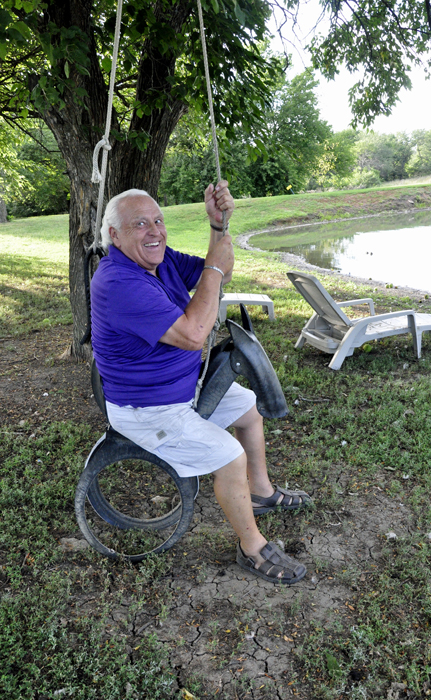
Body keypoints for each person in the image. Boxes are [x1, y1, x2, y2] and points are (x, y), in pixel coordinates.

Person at [91, 181, 310, 584]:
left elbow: (220, 268)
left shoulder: (158, 260)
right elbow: (194, 332)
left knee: (249, 409)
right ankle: (253, 548)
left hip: (180, 390)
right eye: (140, 224)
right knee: (229, 455)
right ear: (114, 236)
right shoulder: (119, 283)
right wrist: (213, 268)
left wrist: (217, 227)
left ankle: (260, 491)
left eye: (158, 220)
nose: (154, 231)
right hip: (146, 409)